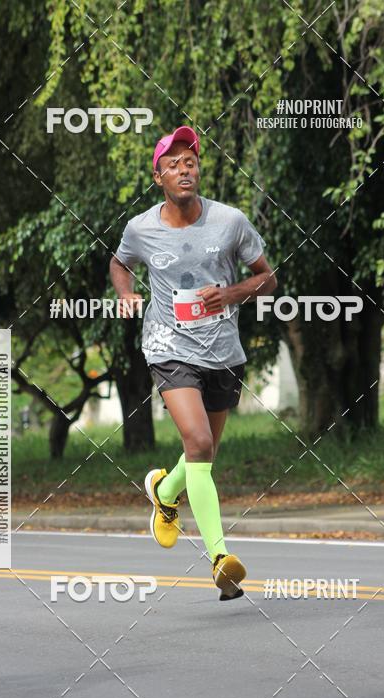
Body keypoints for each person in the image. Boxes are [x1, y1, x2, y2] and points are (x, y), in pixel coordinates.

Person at [110, 125, 277, 600]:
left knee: (204, 454)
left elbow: (268, 279)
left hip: (223, 351)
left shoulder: (230, 222)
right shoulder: (141, 228)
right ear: (158, 177)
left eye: (191, 162)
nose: (184, 170)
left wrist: (231, 293)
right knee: (199, 441)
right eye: (173, 165)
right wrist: (126, 293)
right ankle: (221, 560)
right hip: (168, 347)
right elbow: (119, 263)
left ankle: (164, 494)